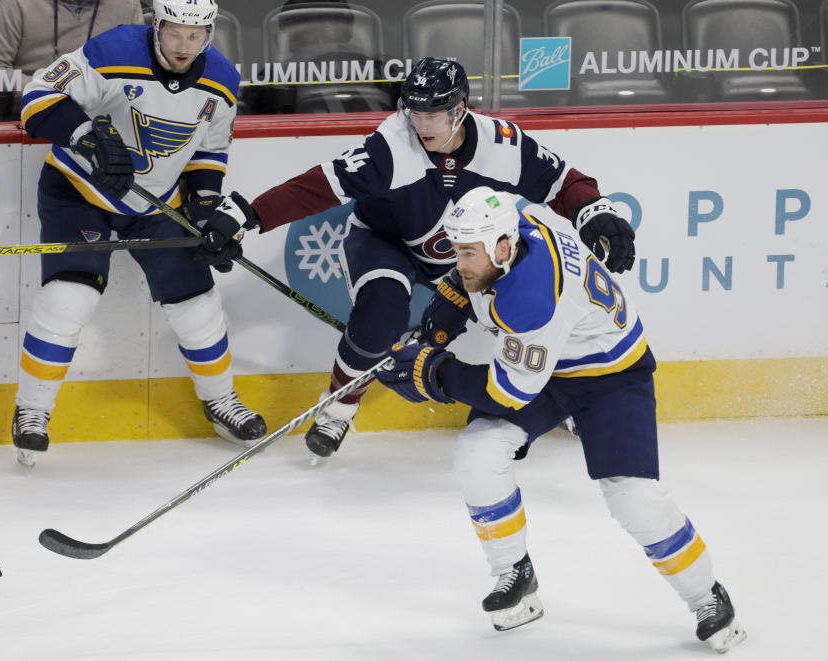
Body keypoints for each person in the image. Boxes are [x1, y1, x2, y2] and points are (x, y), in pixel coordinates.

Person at [373, 186, 746, 653]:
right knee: (478, 451)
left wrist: (432, 372)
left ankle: (706, 597)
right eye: (457, 250)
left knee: (632, 496)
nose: (460, 261)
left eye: (468, 254)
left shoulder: (531, 298)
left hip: (610, 375)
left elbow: (508, 392)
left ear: (503, 249)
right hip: (546, 365)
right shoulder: (519, 225)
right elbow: (499, 226)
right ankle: (515, 572)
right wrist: (453, 293)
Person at [205, 56, 637, 458]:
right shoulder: (392, 145)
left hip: (463, 253)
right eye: (414, 113)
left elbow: (563, 181)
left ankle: (570, 393)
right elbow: (318, 187)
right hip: (384, 240)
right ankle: (338, 408)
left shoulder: (501, 145)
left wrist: (593, 209)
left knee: (533, 307)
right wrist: (248, 215)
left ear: (461, 109)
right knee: (381, 313)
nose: (421, 124)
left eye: (433, 115)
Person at [12, 0, 265, 467]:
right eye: (175, 33)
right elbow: (37, 98)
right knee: (71, 297)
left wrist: (205, 206)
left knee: (197, 304)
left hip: (158, 202)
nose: (185, 46)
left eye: (196, 35)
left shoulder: (223, 81)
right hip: (77, 191)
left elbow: (209, 150)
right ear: (156, 25)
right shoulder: (111, 50)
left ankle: (220, 401)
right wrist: (85, 136)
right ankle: (32, 410)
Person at [0, 0, 145, 119]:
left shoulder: (127, 6)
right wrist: (49, 87)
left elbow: (142, 75)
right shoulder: (18, 3)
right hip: (28, 116)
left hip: (103, 119)